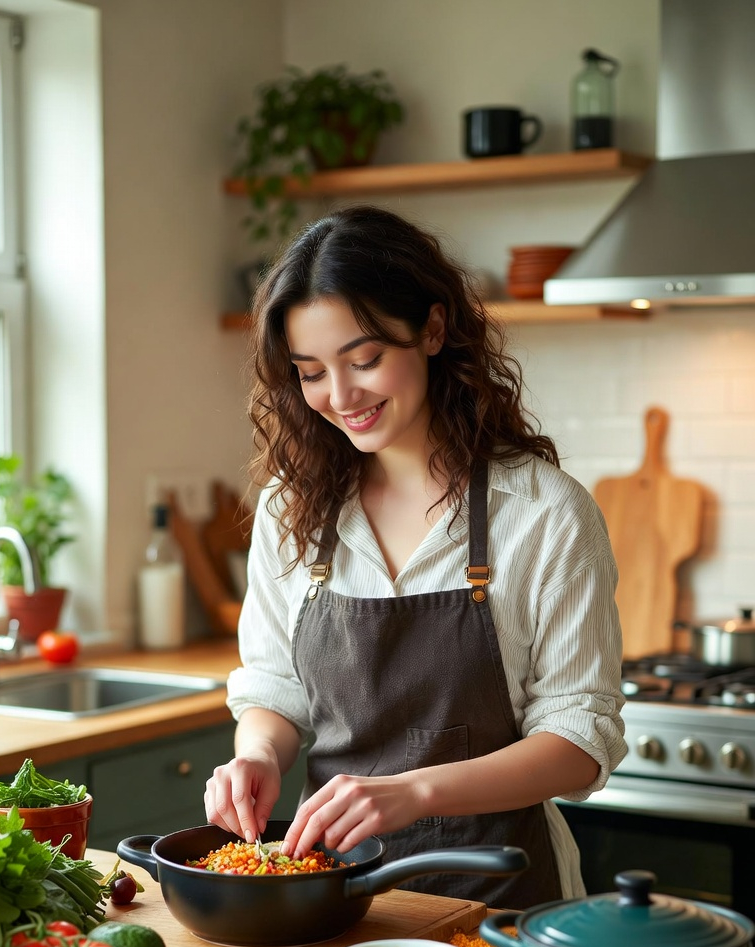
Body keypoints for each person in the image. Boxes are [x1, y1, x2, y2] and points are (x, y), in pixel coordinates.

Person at [204, 204, 626, 909]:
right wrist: (256, 755)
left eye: (364, 360)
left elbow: (580, 737)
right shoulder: (293, 507)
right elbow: (275, 686)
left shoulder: (544, 513)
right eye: (310, 373)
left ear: (432, 330)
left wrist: (415, 792)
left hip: (504, 902)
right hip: (337, 904)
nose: (340, 398)